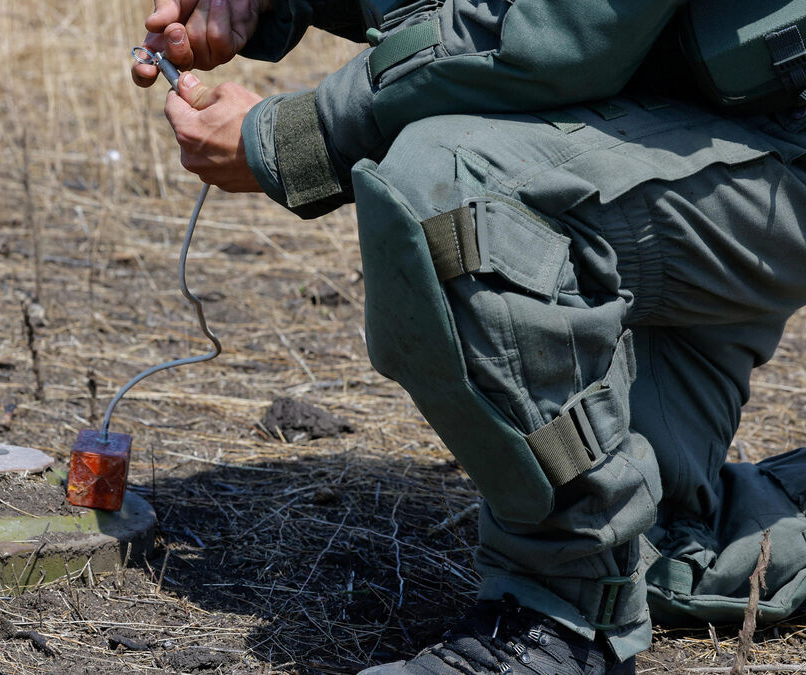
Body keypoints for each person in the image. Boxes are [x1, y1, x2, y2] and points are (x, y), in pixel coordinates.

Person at [134, 1, 806, 673]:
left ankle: (559, 621)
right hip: (692, 119)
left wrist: (297, 137)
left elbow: (554, 36)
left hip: (769, 149)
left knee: (452, 184)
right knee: (660, 539)